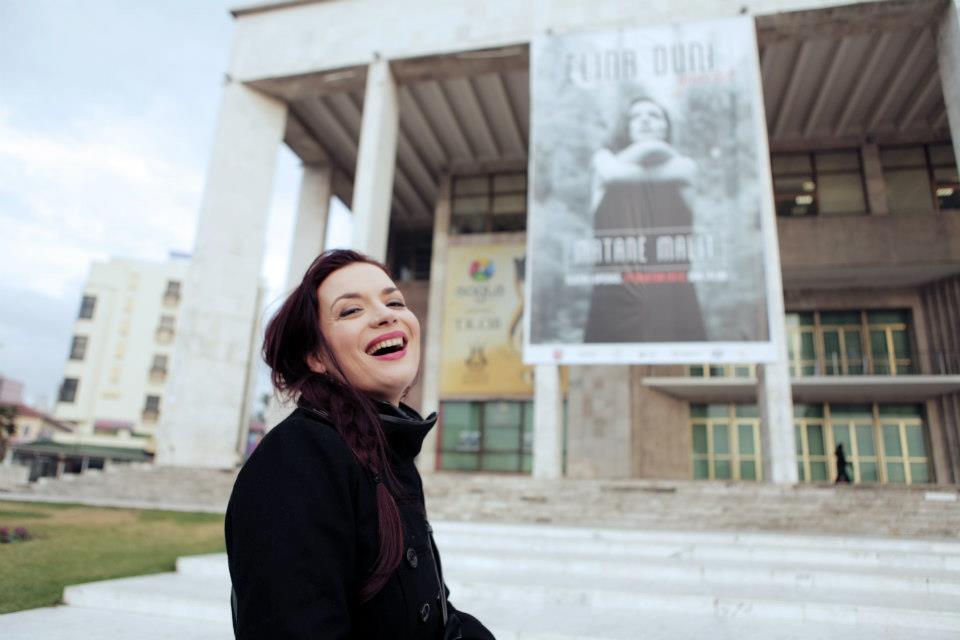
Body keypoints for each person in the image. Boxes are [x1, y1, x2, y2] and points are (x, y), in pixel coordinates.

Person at [225, 249, 495, 640]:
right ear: (315, 356)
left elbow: (434, 618)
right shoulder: (296, 459)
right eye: (351, 310)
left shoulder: (388, 454)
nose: (386, 315)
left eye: (395, 302)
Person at [583, 97, 707, 343]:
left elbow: (615, 172)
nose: (645, 120)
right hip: (613, 303)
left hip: (673, 302)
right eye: (636, 116)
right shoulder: (603, 162)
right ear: (626, 127)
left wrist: (638, 158)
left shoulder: (686, 167)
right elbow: (611, 173)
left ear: (666, 126)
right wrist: (655, 150)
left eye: (654, 115)